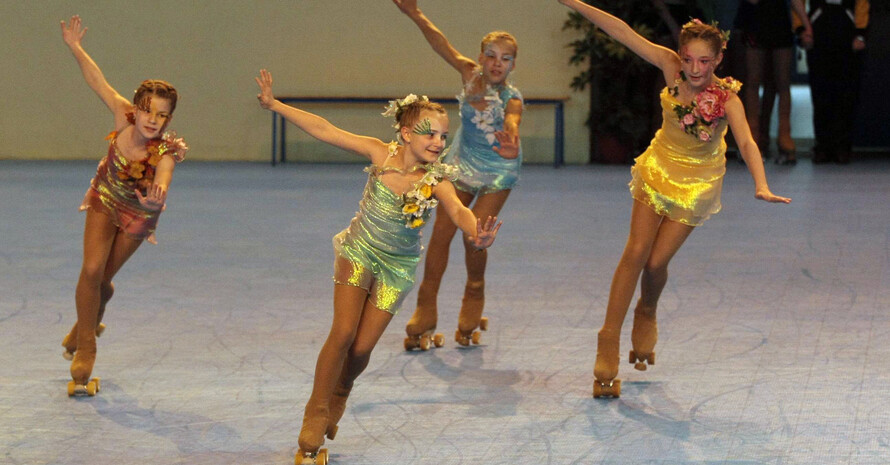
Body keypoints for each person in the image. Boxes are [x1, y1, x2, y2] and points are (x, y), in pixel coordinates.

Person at [254, 70, 501, 463]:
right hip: (359, 250)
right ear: (405, 133)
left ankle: (342, 390)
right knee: (343, 331)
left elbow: (456, 208)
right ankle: (315, 410)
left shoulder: (436, 178)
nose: (439, 142)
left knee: (363, 347)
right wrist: (274, 104)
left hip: (397, 267)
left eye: (442, 135)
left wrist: (476, 232)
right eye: (429, 133)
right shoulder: (377, 153)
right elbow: (325, 128)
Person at [557, 1, 791, 398]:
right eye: (688, 60)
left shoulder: (727, 99)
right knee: (635, 251)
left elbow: (748, 142)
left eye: (704, 61)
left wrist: (761, 183)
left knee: (656, 262)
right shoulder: (669, 67)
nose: (695, 69)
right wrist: (574, 2)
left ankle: (646, 310)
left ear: (719, 58)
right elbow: (622, 32)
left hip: (697, 183)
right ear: (679, 56)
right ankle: (608, 339)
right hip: (659, 168)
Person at [59, 16, 187, 397]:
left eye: (162, 115)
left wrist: (157, 194)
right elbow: (95, 79)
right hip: (106, 197)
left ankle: (82, 324)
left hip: (138, 214)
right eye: (148, 111)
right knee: (92, 269)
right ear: (136, 108)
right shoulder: (121, 115)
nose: (153, 120)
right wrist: (76, 47)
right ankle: (86, 345)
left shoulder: (165, 150)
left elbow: (163, 176)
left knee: (101, 282)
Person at [393, 0, 522, 349]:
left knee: (474, 234)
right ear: (480, 58)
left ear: (513, 64)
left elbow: (512, 121)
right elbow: (441, 44)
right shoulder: (468, 74)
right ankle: (426, 306)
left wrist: (511, 139)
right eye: (491, 56)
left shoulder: (513, 99)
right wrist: (414, 13)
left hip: (498, 170)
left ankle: (474, 291)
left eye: (505, 58)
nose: (497, 63)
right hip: (463, 164)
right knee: (441, 233)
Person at [734, 0, 813, 165]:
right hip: (755, 22)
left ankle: (785, 139)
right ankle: (752, 139)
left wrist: (807, 25)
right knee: (753, 81)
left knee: (783, 82)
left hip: (780, 22)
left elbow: (796, 1)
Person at [794, 0, 870, 164]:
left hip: (847, 39)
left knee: (846, 95)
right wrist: (802, 30)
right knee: (821, 95)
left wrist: (860, 34)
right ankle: (823, 146)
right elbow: (797, 3)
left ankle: (842, 147)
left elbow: (862, 4)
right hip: (819, 36)